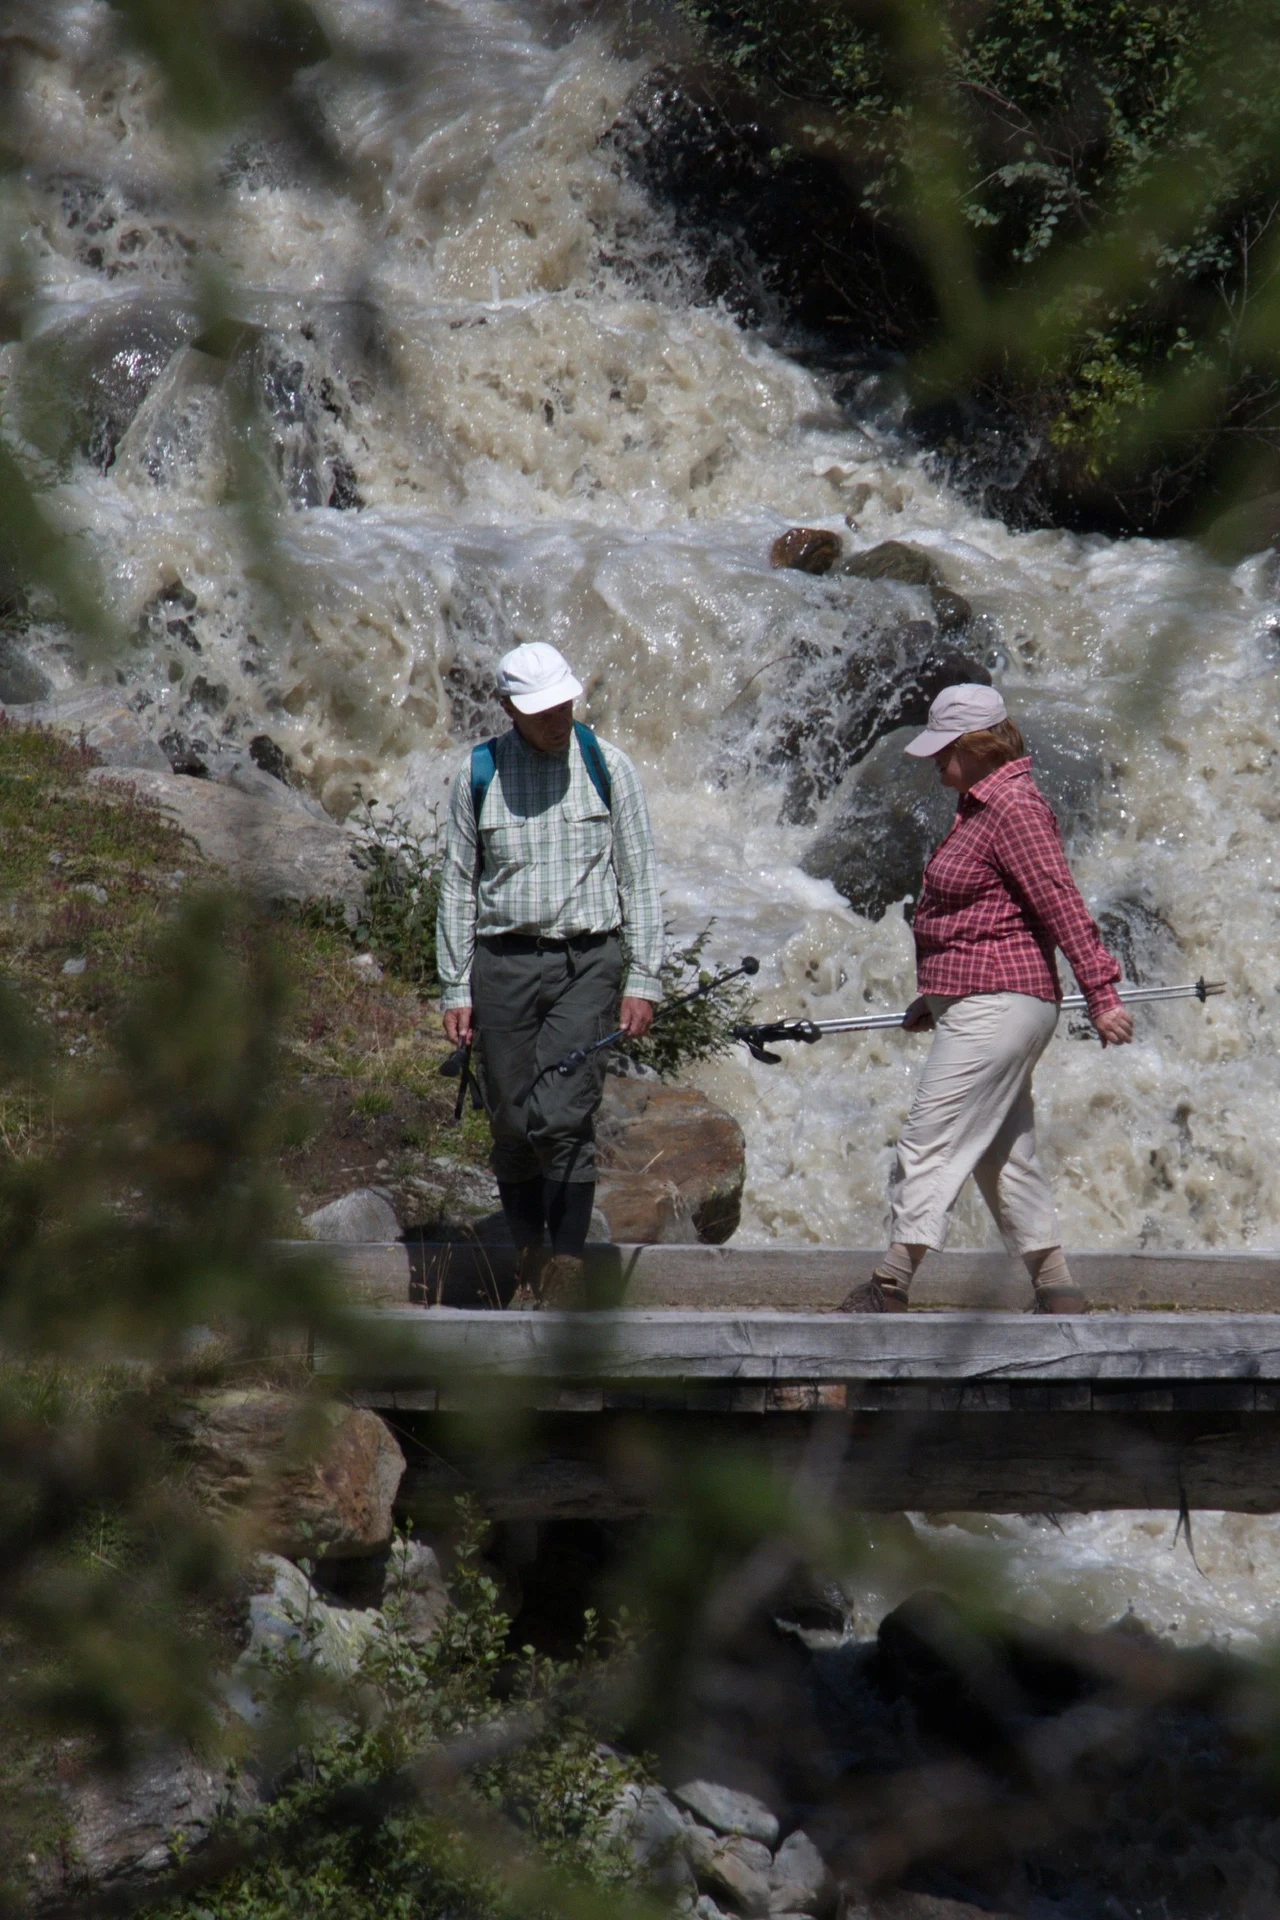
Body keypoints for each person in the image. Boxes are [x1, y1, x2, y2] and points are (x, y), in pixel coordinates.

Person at [841, 683, 1133, 1316]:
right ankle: (1057, 1288)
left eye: (943, 753)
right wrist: (935, 997)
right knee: (1003, 1154)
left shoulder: (1013, 806)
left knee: (929, 1139)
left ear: (976, 746)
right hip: (987, 998)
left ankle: (890, 1283)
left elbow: (1059, 899)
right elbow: (984, 918)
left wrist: (1101, 992)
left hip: (1002, 1002)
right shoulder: (982, 805)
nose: (935, 766)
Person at [436, 641, 663, 1305]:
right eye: (539, 711)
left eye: (562, 703)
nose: (555, 718)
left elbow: (640, 874)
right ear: (507, 708)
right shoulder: (477, 774)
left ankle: (564, 1268)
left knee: (562, 1115)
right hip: (501, 963)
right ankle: (529, 1251)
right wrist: (455, 986)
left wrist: (644, 978)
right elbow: (456, 883)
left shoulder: (607, 766)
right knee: (510, 1119)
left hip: (585, 962)